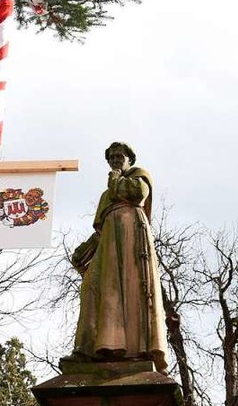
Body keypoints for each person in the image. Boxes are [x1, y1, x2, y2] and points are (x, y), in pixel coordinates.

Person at [68, 142, 169, 374]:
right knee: (92, 287)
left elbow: (137, 195)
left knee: (133, 290)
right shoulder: (107, 195)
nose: (115, 160)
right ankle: (91, 347)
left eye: (119, 157)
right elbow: (100, 232)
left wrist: (115, 180)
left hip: (131, 239)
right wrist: (84, 251)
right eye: (111, 157)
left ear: (129, 160)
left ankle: (137, 349)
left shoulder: (139, 177)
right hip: (109, 246)